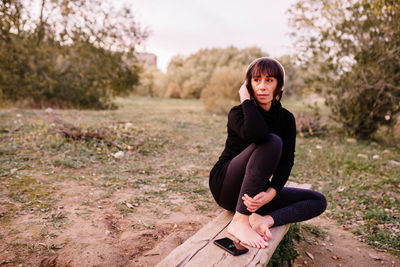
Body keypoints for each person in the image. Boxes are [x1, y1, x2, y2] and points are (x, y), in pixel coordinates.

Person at [209, 57, 327, 249]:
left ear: (279, 85)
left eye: (269, 80)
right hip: (226, 186)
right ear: (248, 85)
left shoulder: (286, 119)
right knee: (272, 141)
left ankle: (263, 220)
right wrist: (246, 100)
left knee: (317, 200)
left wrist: (270, 194)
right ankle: (239, 221)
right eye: (256, 80)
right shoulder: (238, 113)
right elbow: (258, 134)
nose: (262, 86)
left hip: (255, 194)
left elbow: (287, 160)